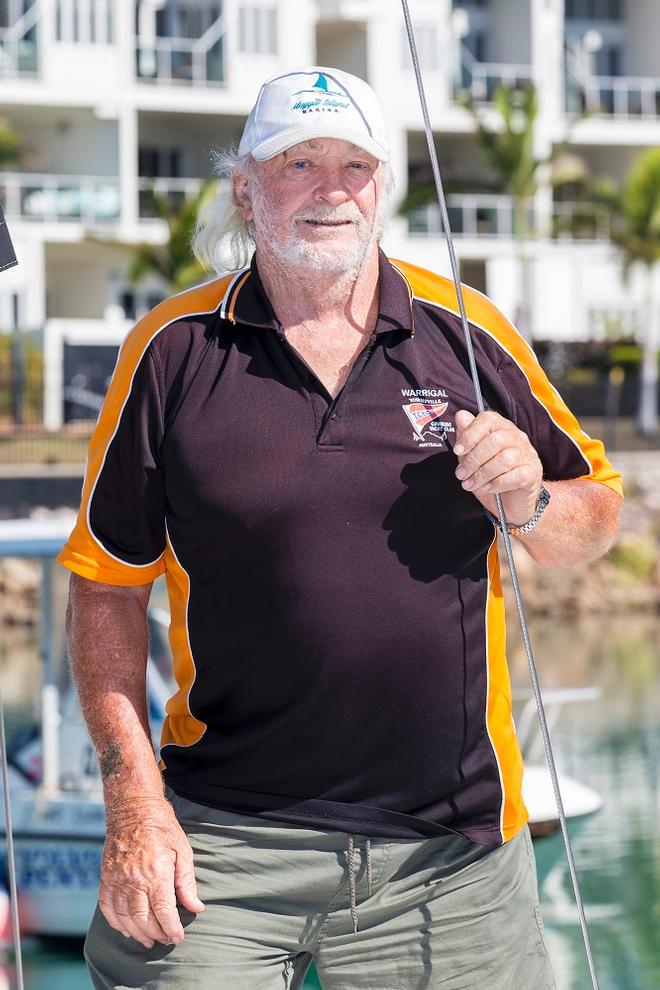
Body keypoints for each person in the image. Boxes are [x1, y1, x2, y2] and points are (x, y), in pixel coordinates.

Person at [58, 66, 623, 989]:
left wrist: (530, 500)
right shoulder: (170, 350)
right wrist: (133, 800)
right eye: (298, 162)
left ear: (383, 184)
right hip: (223, 846)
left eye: (354, 164)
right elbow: (105, 583)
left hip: (450, 858)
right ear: (246, 189)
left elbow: (594, 520)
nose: (331, 188)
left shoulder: (468, 334)